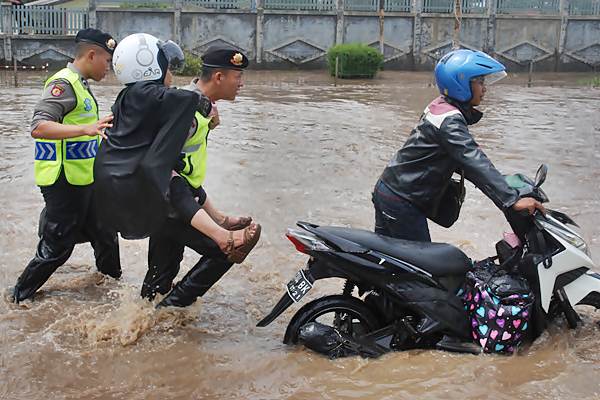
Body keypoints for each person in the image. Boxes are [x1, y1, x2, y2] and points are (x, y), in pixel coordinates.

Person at [372, 49, 545, 243]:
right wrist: (512, 200)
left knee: (390, 263)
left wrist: (505, 185)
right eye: (479, 82)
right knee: (423, 267)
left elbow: (466, 163)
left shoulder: (440, 106)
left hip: (390, 191)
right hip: (402, 200)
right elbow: (472, 159)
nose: (484, 88)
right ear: (460, 84)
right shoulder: (450, 122)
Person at [141, 46, 261, 308]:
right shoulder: (188, 111)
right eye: (237, 77)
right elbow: (160, 164)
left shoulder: (199, 107)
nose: (241, 84)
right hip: (172, 205)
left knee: (158, 281)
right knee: (227, 251)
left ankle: (146, 324)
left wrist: (216, 215)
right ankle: (171, 310)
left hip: (173, 204)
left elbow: (186, 165)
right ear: (219, 77)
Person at [12, 28, 121, 303]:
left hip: (85, 180)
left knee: (105, 232)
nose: (109, 67)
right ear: (92, 55)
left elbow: (83, 128)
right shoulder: (63, 83)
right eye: (107, 61)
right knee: (58, 248)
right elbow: (38, 126)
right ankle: (18, 297)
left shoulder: (81, 84)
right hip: (64, 181)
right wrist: (86, 128)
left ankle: (113, 289)